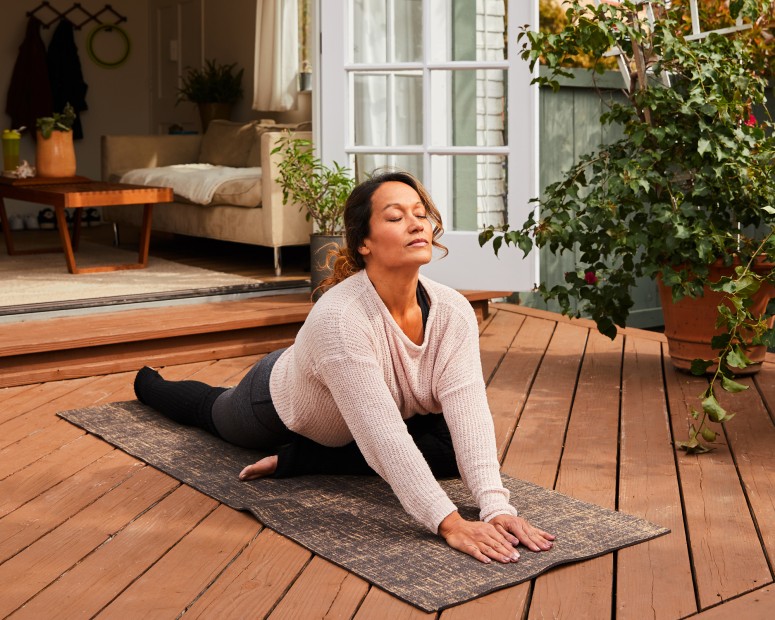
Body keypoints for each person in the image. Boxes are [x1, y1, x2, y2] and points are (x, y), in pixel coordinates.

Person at [134, 169, 555, 565]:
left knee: (448, 454)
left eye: (421, 214)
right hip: (278, 401)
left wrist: (496, 506)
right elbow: (383, 435)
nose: (415, 224)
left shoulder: (454, 310)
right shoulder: (340, 318)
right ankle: (147, 382)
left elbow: (469, 409)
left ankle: (303, 460)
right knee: (212, 412)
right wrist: (450, 523)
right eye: (395, 216)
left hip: (367, 414)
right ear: (364, 243)